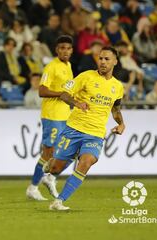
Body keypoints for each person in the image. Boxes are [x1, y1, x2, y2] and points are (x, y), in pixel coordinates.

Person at [48, 46, 125, 210]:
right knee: (55, 167)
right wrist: (77, 103)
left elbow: (115, 109)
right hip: (74, 129)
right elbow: (64, 94)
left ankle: (59, 201)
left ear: (115, 62)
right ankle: (47, 170)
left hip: (95, 134)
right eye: (101, 58)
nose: (103, 62)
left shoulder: (117, 87)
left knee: (86, 162)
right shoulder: (85, 77)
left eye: (107, 59)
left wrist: (121, 123)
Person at [26, 35, 74, 201]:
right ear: (57, 50)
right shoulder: (51, 67)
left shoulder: (68, 66)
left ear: (72, 50)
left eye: (68, 48)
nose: (65, 51)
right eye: (62, 48)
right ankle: (33, 187)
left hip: (65, 116)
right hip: (52, 115)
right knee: (48, 153)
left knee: (67, 151)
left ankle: (50, 178)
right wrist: (60, 94)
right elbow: (42, 90)